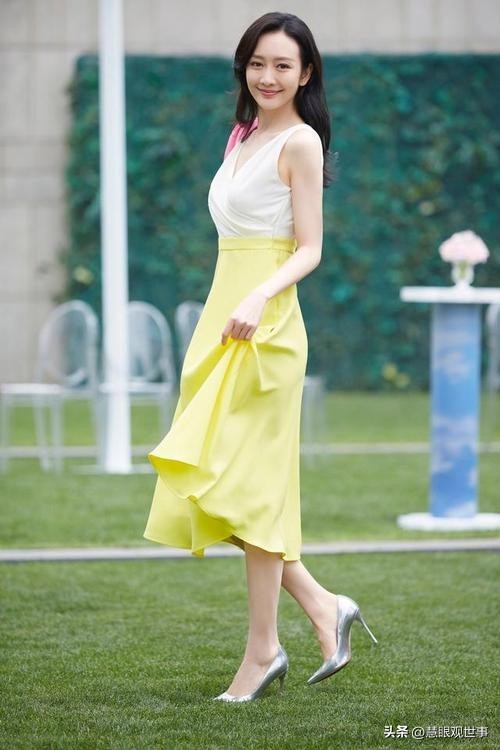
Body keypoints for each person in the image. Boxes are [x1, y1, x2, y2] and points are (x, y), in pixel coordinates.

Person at [143, 11, 378, 703]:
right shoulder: (242, 135)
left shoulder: (301, 141)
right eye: (257, 63)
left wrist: (259, 295)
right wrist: (234, 301)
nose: (267, 76)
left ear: (306, 74)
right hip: (223, 319)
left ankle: (263, 651)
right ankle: (324, 606)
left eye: (282, 65)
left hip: (266, 325)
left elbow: (310, 248)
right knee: (216, 482)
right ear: (243, 67)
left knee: (248, 487)